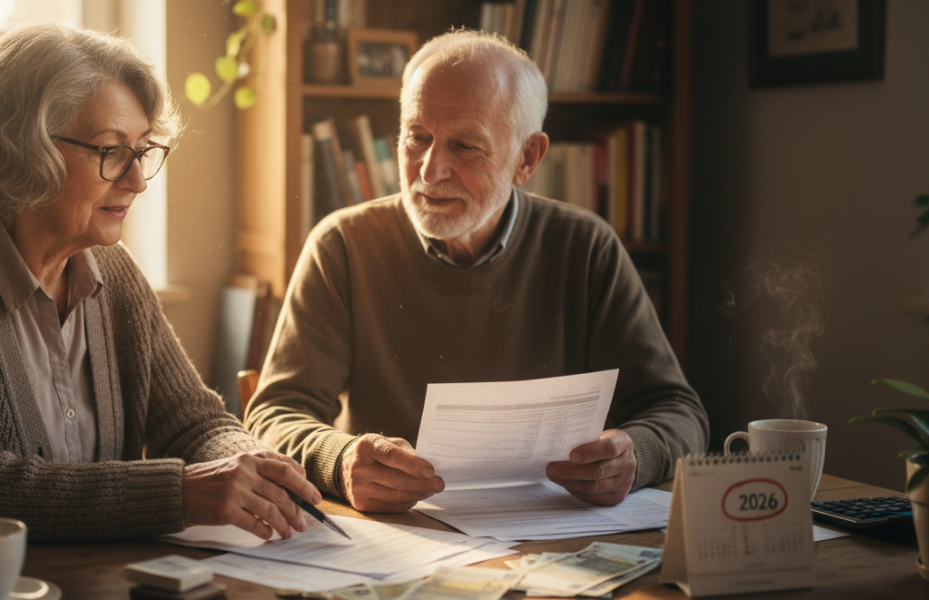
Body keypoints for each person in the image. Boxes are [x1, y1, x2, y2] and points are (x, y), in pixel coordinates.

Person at [0, 23, 320, 542]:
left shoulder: (117, 272)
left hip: (80, 578)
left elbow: (195, 422)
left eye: (143, 150)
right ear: (20, 147)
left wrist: (251, 464)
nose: (136, 181)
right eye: (110, 152)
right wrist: (179, 492)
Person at [245, 30, 708, 512]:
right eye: (416, 137)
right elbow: (273, 413)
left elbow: (679, 412)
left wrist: (636, 455)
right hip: (397, 538)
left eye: (464, 146)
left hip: (551, 537)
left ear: (526, 158)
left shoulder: (585, 247)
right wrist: (338, 459)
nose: (429, 170)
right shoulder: (342, 245)